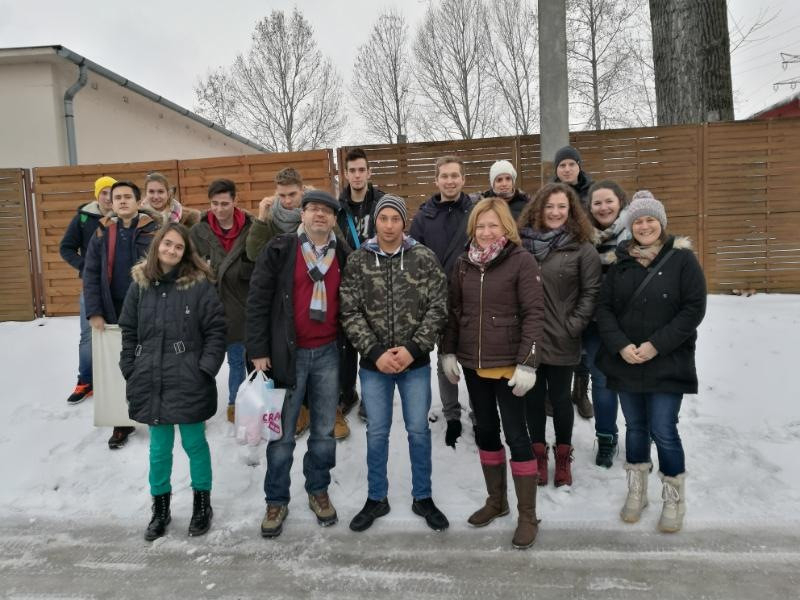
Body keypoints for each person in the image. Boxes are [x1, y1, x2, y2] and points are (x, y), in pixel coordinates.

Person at [595, 191, 706, 533]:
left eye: (650, 220)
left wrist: (656, 345)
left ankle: (673, 498)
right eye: (638, 221)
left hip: (667, 361)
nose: (644, 226)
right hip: (627, 361)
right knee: (635, 428)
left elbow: (693, 309)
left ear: (661, 223)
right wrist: (621, 346)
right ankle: (637, 491)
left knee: (663, 429)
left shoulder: (682, 260)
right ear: (630, 226)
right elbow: (604, 309)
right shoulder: (619, 263)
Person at [340, 195, 449, 533]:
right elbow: (349, 310)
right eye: (383, 218)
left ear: (404, 222)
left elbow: (438, 306)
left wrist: (414, 349)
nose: (389, 226)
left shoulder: (423, 258)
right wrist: (375, 352)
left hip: (414, 364)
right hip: (375, 366)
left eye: (395, 219)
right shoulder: (359, 260)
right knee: (377, 433)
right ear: (376, 222)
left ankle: (423, 496)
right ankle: (376, 497)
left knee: (418, 430)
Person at [441, 197, 545, 549]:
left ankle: (528, 515)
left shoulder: (521, 260)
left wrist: (528, 361)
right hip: (475, 364)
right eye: (480, 226)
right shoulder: (463, 263)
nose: (486, 232)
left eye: (493, 225)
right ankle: (496, 501)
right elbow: (454, 311)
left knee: (517, 435)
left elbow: (534, 313)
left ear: (506, 227)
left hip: (509, 366)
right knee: (486, 431)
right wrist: (448, 350)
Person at [246, 190, 350, 538]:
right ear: (302, 215)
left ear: (334, 219)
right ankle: (276, 499)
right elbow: (257, 300)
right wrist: (258, 350)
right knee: (282, 435)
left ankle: (318, 489)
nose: (320, 215)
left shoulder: (343, 254)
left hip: (328, 354)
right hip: (285, 355)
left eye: (326, 211)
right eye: (313, 209)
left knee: (323, 431)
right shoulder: (280, 249)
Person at [119, 223, 226, 541]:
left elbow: (216, 329)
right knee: (159, 449)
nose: (172, 250)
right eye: (167, 243)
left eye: (179, 246)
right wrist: (130, 367)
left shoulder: (198, 284)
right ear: (157, 245)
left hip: (189, 377)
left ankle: (202, 504)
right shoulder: (140, 284)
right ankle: (160, 509)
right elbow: (128, 330)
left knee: (194, 444)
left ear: (186, 252)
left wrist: (205, 369)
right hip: (151, 377)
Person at [245, 168, 350, 440]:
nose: (287, 201)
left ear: (302, 192)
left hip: (325, 339)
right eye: (282, 195)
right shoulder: (274, 228)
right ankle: (299, 413)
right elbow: (255, 261)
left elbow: (343, 254)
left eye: (292, 194)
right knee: (285, 422)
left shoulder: (324, 215)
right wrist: (261, 219)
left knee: (324, 405)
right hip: (287, 325)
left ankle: (330, 410)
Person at [519, 183, 601, 487]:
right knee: (532, 399)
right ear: (538, 209)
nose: (555, 212)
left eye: (561, 207)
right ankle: (538, 455)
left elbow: (591, 292)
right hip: (528, 337)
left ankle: (563, 457)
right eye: (549, 206)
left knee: (561, 399)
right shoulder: (522, 244)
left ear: (571, 210)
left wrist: (573, 326)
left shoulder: (582, 248)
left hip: (563, 337)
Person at [82, 181, 159, 449]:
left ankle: (157, 415)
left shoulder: (154, 229)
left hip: (149, 309)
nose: (123, 201)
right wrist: (94, 311)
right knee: (120, 367)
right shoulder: (102, 231)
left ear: (138, 201)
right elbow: (91, 273)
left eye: (128, 197)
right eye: (117, 198)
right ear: (111, 203)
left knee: (153, 363)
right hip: (113, 310)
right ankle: (121, 420)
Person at [409, 156, 477, 448]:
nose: (450, 181)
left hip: (474, 297)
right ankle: (452, 415)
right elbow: (413, 259)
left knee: (474, 359)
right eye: (444, 176)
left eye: (454, 175)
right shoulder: (423, 217)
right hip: (438, 299)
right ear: (436, 180)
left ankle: (479, 413)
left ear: (463, 179)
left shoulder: (475, 211)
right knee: (445, 360)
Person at [190, 179, 253, 424]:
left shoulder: (250, 227)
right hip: (211, 308)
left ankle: (238, 403)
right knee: (211, 361)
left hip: (241, 307)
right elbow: (191, 268)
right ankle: (207, 405)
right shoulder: (199, 231)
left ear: (235, 200)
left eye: (225, 204)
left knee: (240, 359)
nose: (219, 209)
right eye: (214, 203)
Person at [336, 147, 385, 422]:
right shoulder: (338, 207)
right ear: (345, 174)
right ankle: (347, 393)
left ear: (369, 172)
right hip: (347, 283)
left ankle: (371, 396)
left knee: (373, 341)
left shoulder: (381, 203)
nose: (357, 175)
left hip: (376, 282)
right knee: (346, 344)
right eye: (352, 170)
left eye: (361, 170)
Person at [584, 180, 631, 467]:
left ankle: (640, 436)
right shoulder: (583, 236)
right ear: (590, 207)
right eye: (597, 203)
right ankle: (606, 437)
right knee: (602, 382)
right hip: (595, 324)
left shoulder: (635, 232)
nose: (603, 207)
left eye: (609, 201)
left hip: (630, 323)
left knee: (634, 382)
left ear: (620, 202)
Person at [60, 175, 116, 405]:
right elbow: (66, 248)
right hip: (92, 286)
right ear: (97, 195)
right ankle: (85, 381)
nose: (109, 197)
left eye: (112, 192)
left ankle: (117, 378)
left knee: (119, 331)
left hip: (118, 285)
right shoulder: (83, 218)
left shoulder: (123, 217)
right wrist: (85, 266)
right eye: (104, 192)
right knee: (88, 335)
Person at [552, 145, 596, 418]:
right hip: (557, 269)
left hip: (586, 265)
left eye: (571, 164)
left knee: (583, 331)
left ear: (579, 166)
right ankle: (556, 390)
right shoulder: (550, 193)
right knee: (557, 330)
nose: (567, 169)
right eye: (562, 165)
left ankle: (581, 390)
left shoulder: (593, 193)